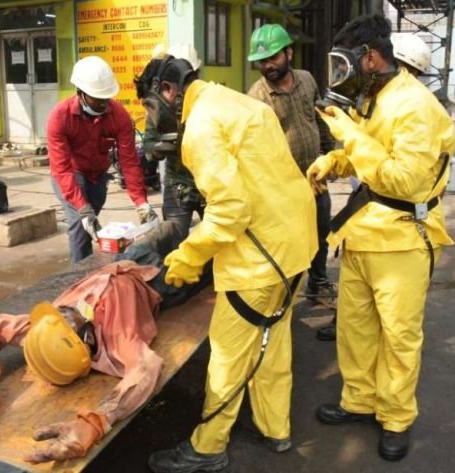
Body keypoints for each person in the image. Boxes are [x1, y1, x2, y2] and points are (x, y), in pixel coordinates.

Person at [134, 55, 317, 473]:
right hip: (294, 245)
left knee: (227, 356)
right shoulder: (236, 102)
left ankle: (208, 447)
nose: (149, 114)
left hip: (260, 257)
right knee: (273, 340)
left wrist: (189, 255)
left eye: (148, 104)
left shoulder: (199, 128)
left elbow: (231, 210)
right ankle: (276, 428)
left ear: (167, 91)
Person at [307, 13, 455, 461]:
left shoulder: (415, 106)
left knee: (398, 336)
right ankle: (359, 399)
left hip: (403, 239)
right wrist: (335, 161)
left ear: (369, 58)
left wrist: (348, 133)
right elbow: (370, 157)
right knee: (355, 329)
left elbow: (404, 180)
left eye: (343, 64)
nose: (340, 75)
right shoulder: (375, 97)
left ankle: (394, 417)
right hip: (363, 235)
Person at [0, 226, 210, 464]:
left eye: (61, 316)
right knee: (211, 256)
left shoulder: (43, 328)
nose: (66, 311)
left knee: (173, 226)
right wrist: (98, 421)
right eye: (70, 322)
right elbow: (147, 368)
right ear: (85, 340)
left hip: (127, 260)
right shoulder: (117, 340)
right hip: (157, 281)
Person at [246, 24, 337, 312]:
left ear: (289, 52)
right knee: (288, 243)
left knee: (321, 232)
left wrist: (331, 153)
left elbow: (319, 118)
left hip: (315, 179)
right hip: (283, 189)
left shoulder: (308, 80)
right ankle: (287, 291)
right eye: (262, 61)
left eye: (273, 57)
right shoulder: (256, 97)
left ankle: (318, 283)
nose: (267, 65)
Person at [46, 55, 158, 264]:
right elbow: (61, 169)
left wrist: (141, 202)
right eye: (98, 99)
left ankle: (92, 274)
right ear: (80, 93)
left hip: (98, 176)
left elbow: (129, 162)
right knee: (81, 224)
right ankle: (78, 280)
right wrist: (81, 206)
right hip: (71, 174)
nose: (104, 104)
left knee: (93, 225)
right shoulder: (59, 118)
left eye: (106, 98)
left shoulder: (119, 116)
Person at [144, 43, 205, 242]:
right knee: (172, 242)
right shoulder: (161, 108)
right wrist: (159, 150)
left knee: (221, 246)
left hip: (210, 184)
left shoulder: (209, 101)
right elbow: (148, 146)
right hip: (177, 185)